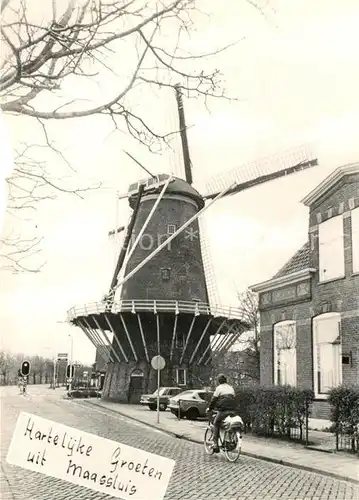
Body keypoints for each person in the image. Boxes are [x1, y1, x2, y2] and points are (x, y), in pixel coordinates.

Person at [206, 374, 236, 453]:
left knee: (216, 423)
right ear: (226, 380)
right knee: (229, 424)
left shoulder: (219, 388)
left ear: (219, 381)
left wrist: (210, 408)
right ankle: (229, 440)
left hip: (223, 410)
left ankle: (215, 444)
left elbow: (214, 400)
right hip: (232, 410)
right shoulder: (231, 388)